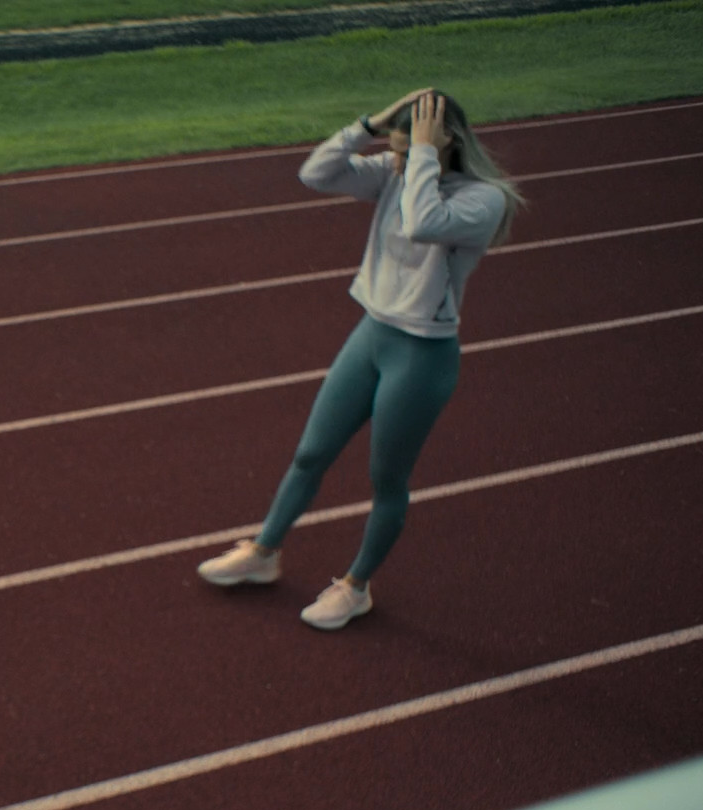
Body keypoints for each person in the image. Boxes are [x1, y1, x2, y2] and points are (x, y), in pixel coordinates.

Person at [197, 88, 526, 629]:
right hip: (371, 335)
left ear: (444, 144)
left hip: (421, 356)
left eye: (406, 149)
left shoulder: (481, 200)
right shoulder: (398, 172)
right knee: (310, 453)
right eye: (392, 149)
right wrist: (366, 125)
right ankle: (263, 553)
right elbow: (315, 174)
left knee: (386, 480)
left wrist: (420, 154)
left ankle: (356, 586)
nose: (393, 159)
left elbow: (424, 222)